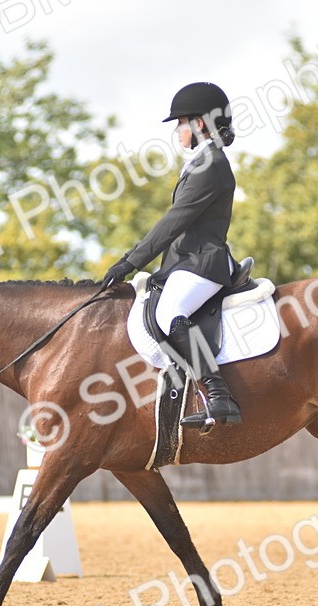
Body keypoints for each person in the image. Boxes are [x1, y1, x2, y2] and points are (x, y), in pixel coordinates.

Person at [102, 81, 242, 428]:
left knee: (169, 313)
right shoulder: (202, 161)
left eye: (181, 123)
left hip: (203, 263)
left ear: (199, 123)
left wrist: (130, 262)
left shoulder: (211, 165)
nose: (178, 131)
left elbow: (173, 222)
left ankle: (219, 396)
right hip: (186, 263)